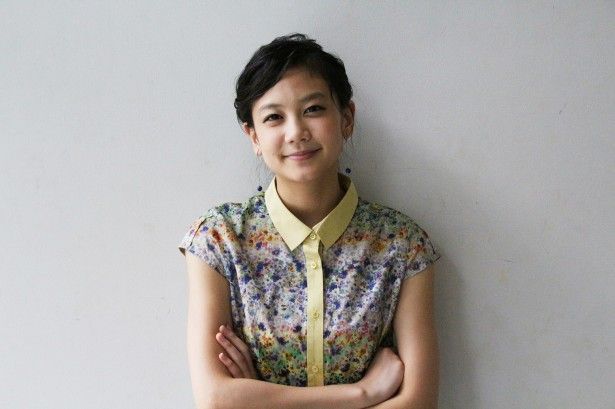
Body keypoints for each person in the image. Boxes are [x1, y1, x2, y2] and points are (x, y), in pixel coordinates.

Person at [178, 33, 441, 409]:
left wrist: (259, 399)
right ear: (253, 135)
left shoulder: (402, 245)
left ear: (346, 118)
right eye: (274, 117)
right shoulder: (219, 241)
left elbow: (419, 402)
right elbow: (215, 398)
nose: (296, 132)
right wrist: (363, 393)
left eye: (313, 109)